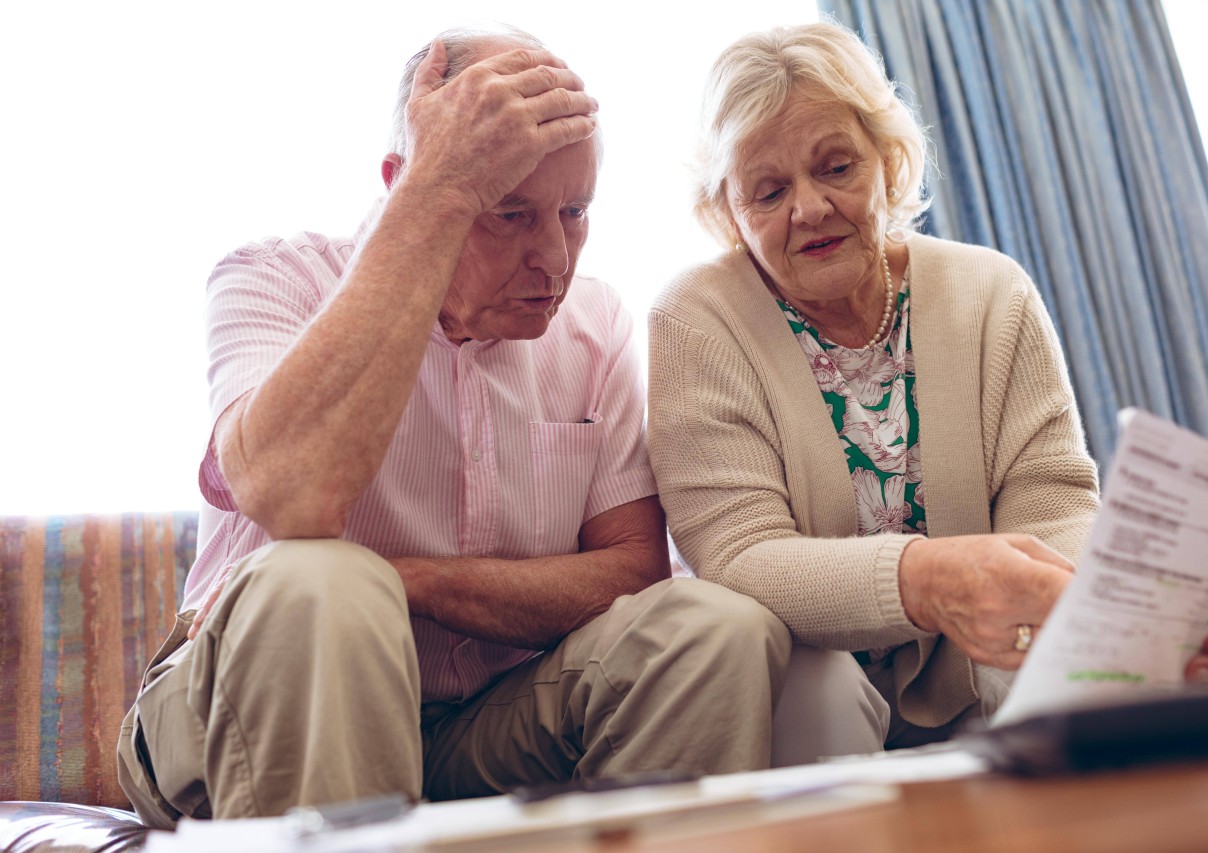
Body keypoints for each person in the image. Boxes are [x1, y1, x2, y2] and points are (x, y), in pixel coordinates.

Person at [116, 24, 791, 827]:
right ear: (409, 182)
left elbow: (631, 571)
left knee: (714, 627)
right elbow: (296, 500)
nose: (554, 257)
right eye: (508, 213)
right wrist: (436, 197)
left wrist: (413, 582)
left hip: (484, 720)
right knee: (323, 583)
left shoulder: (596, 319)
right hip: (241, 701)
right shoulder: (272, 279)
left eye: (574, 211)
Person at [646, 20, 1208, 751]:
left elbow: (1051, 510)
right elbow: (742, 558)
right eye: (769, 189)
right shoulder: (695, 320)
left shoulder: (989, 291)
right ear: (727, 210)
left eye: (836, 167)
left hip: (983, 657)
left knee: (1093, 662)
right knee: (821, 688)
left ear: (888, 159)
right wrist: (929, 580)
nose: (808, 208)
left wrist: (1131, 614)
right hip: (809, 681)